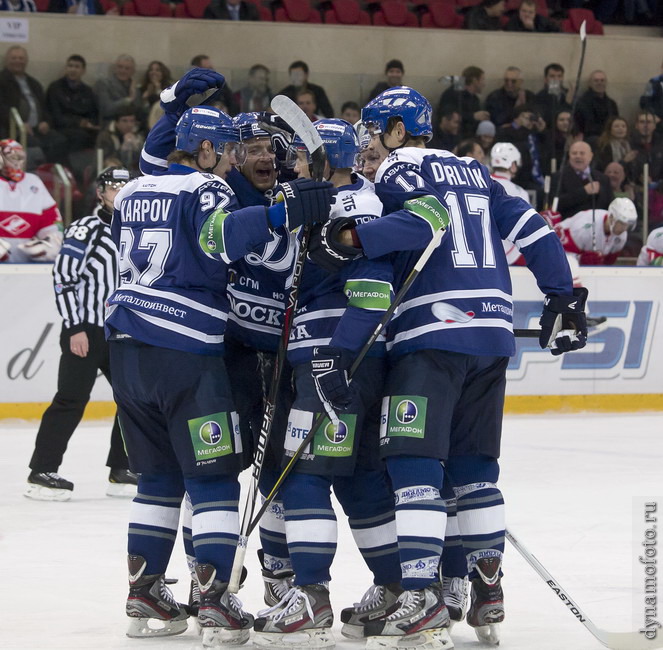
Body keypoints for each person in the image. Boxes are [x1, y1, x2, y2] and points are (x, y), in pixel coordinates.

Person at [310, 86, 586, 648]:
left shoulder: (393, 180)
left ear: (393, 130)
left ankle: (422, 594)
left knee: (414, 464)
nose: (370, 145)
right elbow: (533, 229)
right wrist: (562, 295)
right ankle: (487, 590)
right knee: (476, 469)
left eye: (374, 132)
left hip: (432, 338)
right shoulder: (476, 171)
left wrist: (350, 240)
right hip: (491, 337)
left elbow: (389, 258)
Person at [106, 97, 334, 642]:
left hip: (127, 347)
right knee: (211, 479)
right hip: (190, 352)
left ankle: (146, 597)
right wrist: (282, 213)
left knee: (159, 479)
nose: (237, 159)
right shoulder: (208, 188)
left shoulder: (135, 189)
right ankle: (213, 602)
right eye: (233, 148)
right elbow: (219, 239)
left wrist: (170, 107)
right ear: (209, 149)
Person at [253, 119, 402, 647]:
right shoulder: (350, 199)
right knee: (360, 479)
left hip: (328, 356)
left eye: (296, 156)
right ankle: (395, 586)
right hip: (358, 358)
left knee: (304, 477)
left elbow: (371, 290)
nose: (290, 165)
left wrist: (335, 358)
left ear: (319, 158)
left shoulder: (348, 208)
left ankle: (311, 595)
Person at [25, 167, 135, 501]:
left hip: (121, 331)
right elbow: (63, 278)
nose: (119, 192)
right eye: (113, 187)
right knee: (71, 399)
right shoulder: (86, 228)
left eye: (125, 186)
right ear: (100, 193)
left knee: (134, 400)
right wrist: (75, 327)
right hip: (86, 328)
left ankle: (122, 468)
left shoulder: (134, 229)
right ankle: (41, 471)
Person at [0, 45, 68, 164]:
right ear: (7, 60)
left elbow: (45, 107)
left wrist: (46, 122)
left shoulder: (34, 83)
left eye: (21, 58)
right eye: (14, 58)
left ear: (26, 61)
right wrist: (19, 124)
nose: (18, 61)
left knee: (60, 141)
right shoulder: (1, 80)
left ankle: (56, 176)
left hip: (37, 128)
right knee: (36, 145)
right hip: (13, 129)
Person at [0, 139, 63, 264]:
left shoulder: (34, 182)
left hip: (28, 268)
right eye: (12, 157)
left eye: (20, 158)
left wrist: (49, 244)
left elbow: (53, 223)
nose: (17, 163)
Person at [555, 197, 638, 265]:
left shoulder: (622, 236)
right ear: (611, 217)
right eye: (621, 223)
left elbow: (608, 265)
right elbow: (556, 254)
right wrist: (579, 259)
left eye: (628, 225)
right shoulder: (583, 226)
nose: (624, 228)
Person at [46, 54, 99, 154]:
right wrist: (78, 122)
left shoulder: (88, 91)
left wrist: (90, 123)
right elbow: (55, 115)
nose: (73, 70)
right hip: (61, 128)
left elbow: (94, 113)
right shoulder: (55, 88)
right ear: (66, 68)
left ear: (83, 70)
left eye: (77, 67)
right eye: (70, 66)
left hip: (85, 129)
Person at [551, 140, 613, 219]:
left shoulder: (603, 178)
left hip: (598, 226)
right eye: (574, 153)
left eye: (582, 153)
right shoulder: (558, 177)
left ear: (590, 156)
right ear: (569, 156)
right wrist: (584, 192)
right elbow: (555, 204)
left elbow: (610, 204)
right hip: (570, 225)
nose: (578, 156)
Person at [495, 104, 546, 190]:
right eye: (524, 117)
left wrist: (542, 131)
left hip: (534, 177)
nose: (528, 120)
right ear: (516, 118)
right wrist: (524, 129)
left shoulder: (533, 134)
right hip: (517, 177)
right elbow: (516, 146)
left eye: (530, 118)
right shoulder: (506, 131)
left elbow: (545, 150)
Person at [438, 66, 490, 139]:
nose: (484, 84)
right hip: (452, 136)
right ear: (475, 80)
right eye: (482, 79)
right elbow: (449, 115)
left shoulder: (475, 99)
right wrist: (473, 116)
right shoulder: (453, 94)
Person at [93, 54, 143, 125]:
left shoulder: (134, 87)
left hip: (132, 126)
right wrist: (128, 100)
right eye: (120, 67)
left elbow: (138, 111)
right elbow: (106, 110)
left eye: (127, 68)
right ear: (115, 68)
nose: (123, 71)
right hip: (110, 124)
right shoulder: (103, 83)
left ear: (133, 71)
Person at [95, 106, 144, 173]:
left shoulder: (139, 135)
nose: (129, 125)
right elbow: (105, 160)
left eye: (132, 121)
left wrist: (137, 148)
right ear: (116, 122)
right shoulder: (105, 136)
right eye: (124, 121)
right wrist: (122, 150)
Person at [574, 70, 619, 140]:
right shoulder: (582, 103)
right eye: (596, 80)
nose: (599, 83)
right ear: (590, 84)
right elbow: (588, 126)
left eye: (602, 80)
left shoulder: (612, 104)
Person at [534, 63, 573, 128]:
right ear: (546, 79)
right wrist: (567, 104)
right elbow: (548, 118)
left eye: (559, 76)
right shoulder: (541, 96)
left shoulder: (568, 93)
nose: (556, 79)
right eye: (552, 76)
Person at [140, 60, 172, 129]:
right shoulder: (142, 88)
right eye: (151, 70)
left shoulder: (170, 89)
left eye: (157, 70)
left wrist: (158, 89)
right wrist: (145, 99)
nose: (154, 72)